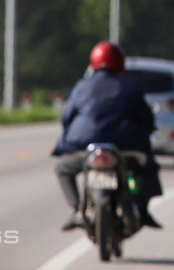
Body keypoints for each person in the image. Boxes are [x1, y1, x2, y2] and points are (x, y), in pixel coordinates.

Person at [51, 41, 163, 231]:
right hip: (126, 147)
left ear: (93, 62)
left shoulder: (82, 86)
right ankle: (143, 210)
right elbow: (146, 118)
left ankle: (77, 210)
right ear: (120, 62)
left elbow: (67, 116)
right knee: (148, 166)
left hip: (85, 146)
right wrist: (148, 130)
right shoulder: (130, 87)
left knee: (63, 168)